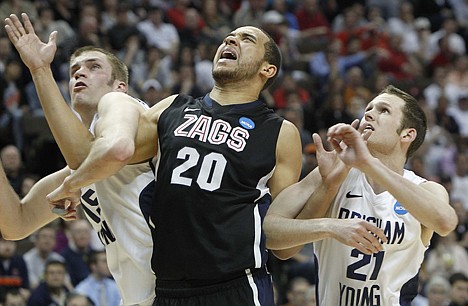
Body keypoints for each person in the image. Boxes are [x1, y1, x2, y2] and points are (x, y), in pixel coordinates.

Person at [45, 24, 385, 306]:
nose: (230, 40)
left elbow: (285, 244)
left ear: (268, 70)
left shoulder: (280, 132)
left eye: (246, 39)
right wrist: (78, 179)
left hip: (235, 286)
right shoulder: (170, 108)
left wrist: (326, 184)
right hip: (168, 289)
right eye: (229, 37)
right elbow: (98, 154)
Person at [3, 13, 155, 305]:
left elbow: (82, 156)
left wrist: (39, 70)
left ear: (119, 86)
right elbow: (16, 224)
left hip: (178, 288)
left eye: (93, 67)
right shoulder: (82, 168)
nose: (79, 74)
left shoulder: (128, 109)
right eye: (73, 70)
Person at [263, 85, 458, 305]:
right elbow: (270, 234)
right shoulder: (336, 171)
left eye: (383, 110)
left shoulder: (425, 189)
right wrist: (331, 225)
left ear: (407, 134)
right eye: (368, 108)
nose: (369, 114)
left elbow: (445, 222)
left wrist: (369, 164)